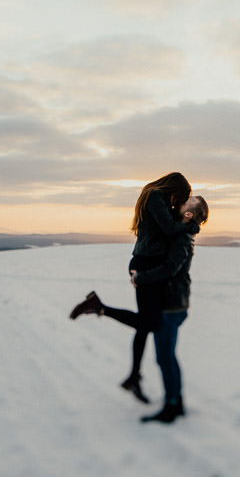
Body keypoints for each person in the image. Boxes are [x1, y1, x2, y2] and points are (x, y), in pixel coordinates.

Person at [69, 172, 199, 403]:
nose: (178, 203)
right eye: (181, 197)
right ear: (175, 189)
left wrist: (187, 218)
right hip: (145, 267)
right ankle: (99, 308)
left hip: (149, 265)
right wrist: (191, 227)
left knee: (145, 324)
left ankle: (134, 376)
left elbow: (170, 224)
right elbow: (169, 227)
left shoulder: (156, 198)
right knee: (148, 323)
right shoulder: (155, 196)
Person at [133, 195, 208, 424]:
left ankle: (171, 407)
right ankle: (176, 401)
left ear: (189, 215)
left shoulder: (182, 238)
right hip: (174, 303)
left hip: (171, 305)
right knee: (169, 357)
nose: (180, 203)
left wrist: (141, 277)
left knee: (165, 358)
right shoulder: (181, 234)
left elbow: (170, 268)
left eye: (186, 203)